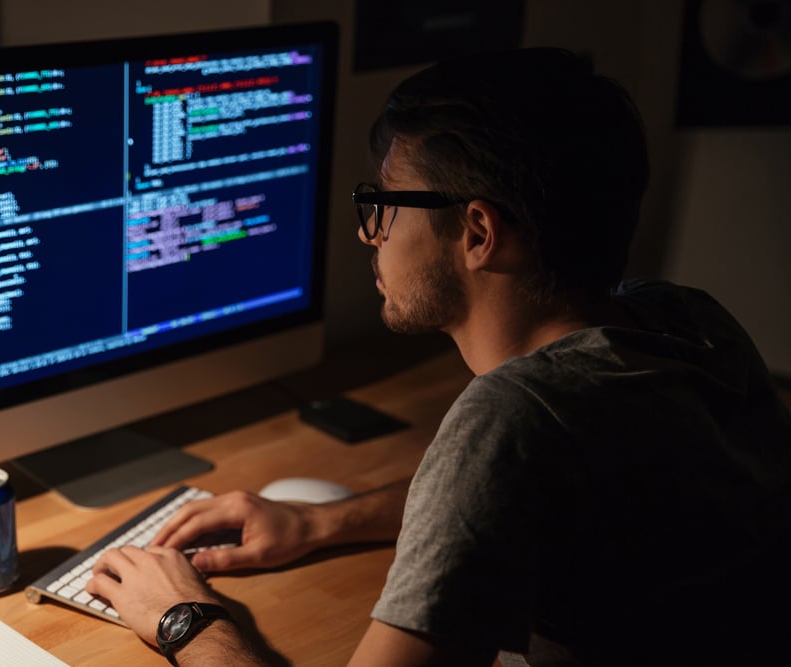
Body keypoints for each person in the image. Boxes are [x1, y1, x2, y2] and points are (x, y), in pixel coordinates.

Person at [85, 47, 791, 666]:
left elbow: (499, 466)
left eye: (387, 204)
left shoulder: (511, 420)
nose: (372, 236)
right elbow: (511, 500)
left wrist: (185, 616)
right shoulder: (685, 319)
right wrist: (323, 520)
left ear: (478, 232)